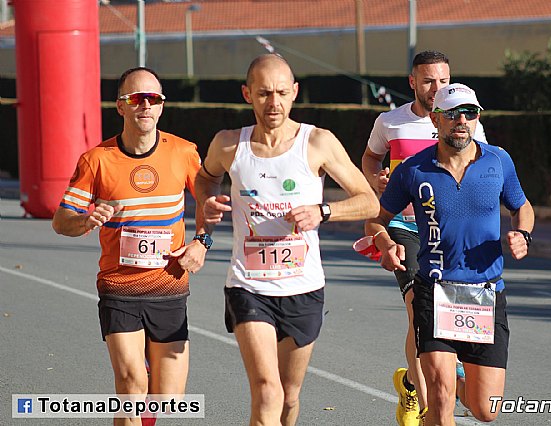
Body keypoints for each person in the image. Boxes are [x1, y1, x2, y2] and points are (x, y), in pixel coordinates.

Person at [194, 53, 378, 426]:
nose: (273, 103)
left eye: (281, 92)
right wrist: (206, 201)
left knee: (289, 397)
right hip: (249, 285)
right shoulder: (229, 145)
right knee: (266, 390)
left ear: (294, 93)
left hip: (303, 288)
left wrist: (323, 211)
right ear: (248, 94)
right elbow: (205, 177)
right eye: (263, 93)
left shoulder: (318, 143)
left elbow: (368, 200)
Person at [365, 83, 535, 425]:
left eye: (469, 113)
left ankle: (447, 385)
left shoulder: (498, 161)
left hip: (485, 294)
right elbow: (377, 221)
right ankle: (429, 387)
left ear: (477, 119)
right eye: (453, 113)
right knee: (439, 399)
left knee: (485, 410)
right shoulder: (413, 170)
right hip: (434, 292)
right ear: (435, 119)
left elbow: (523, 206)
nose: (462, 120)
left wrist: (523, 234)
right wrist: (385, 243)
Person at [52, 67, 208, 426]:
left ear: (162, 106)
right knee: (131, 386)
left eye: (152, 99)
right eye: (135, 99)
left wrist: (201, 242)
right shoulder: (97, 160)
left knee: (169, 400)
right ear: (120, 107)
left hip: (168, 286)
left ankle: (149, 371)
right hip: (119, 287)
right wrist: (86, 220)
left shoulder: (183, 153)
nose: (145, 106)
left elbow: (208, 202)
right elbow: (61, 222)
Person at [361, 50, 487, 425]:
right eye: (429, 80)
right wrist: (377, 178)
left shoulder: (466, 121)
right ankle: (432, 402)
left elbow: (482, 164)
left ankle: (413, 384)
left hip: (450, 229)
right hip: (405, 224)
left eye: (444, 80)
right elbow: (370, 158)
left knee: (447, 309)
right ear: (412, 82)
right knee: (419, 306)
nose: (437, 88)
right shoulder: (390, 122)